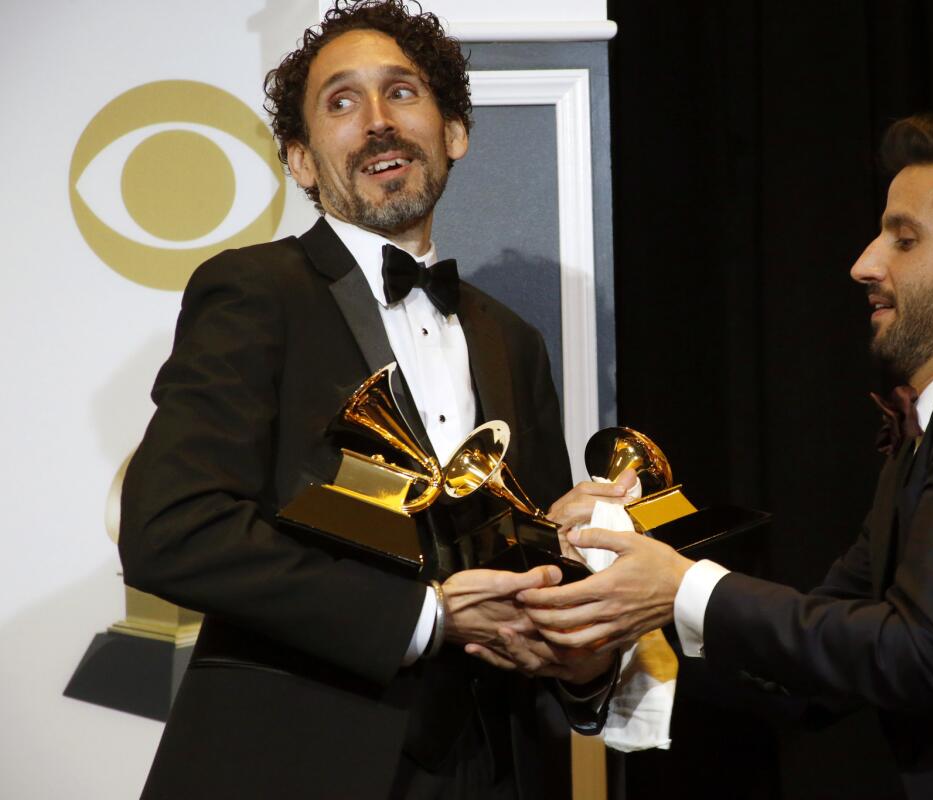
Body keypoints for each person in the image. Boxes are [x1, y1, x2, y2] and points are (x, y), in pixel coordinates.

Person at [516, 115, 933, 799]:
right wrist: (606, 630)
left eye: (903, 238)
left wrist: (682, 584)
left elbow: (918, 654)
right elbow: (808, 675)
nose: (864, 264)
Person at [118, 2, 624, 798]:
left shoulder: (514, 340)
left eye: (402, 93)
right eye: (341, 103)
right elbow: (170, 530)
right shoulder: (255, 293)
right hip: (295, 763)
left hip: (491, 763)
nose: (378, 122)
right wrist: (422, 619)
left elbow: (520, 575)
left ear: (454, 132)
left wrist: (573, 593)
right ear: (301, 161)